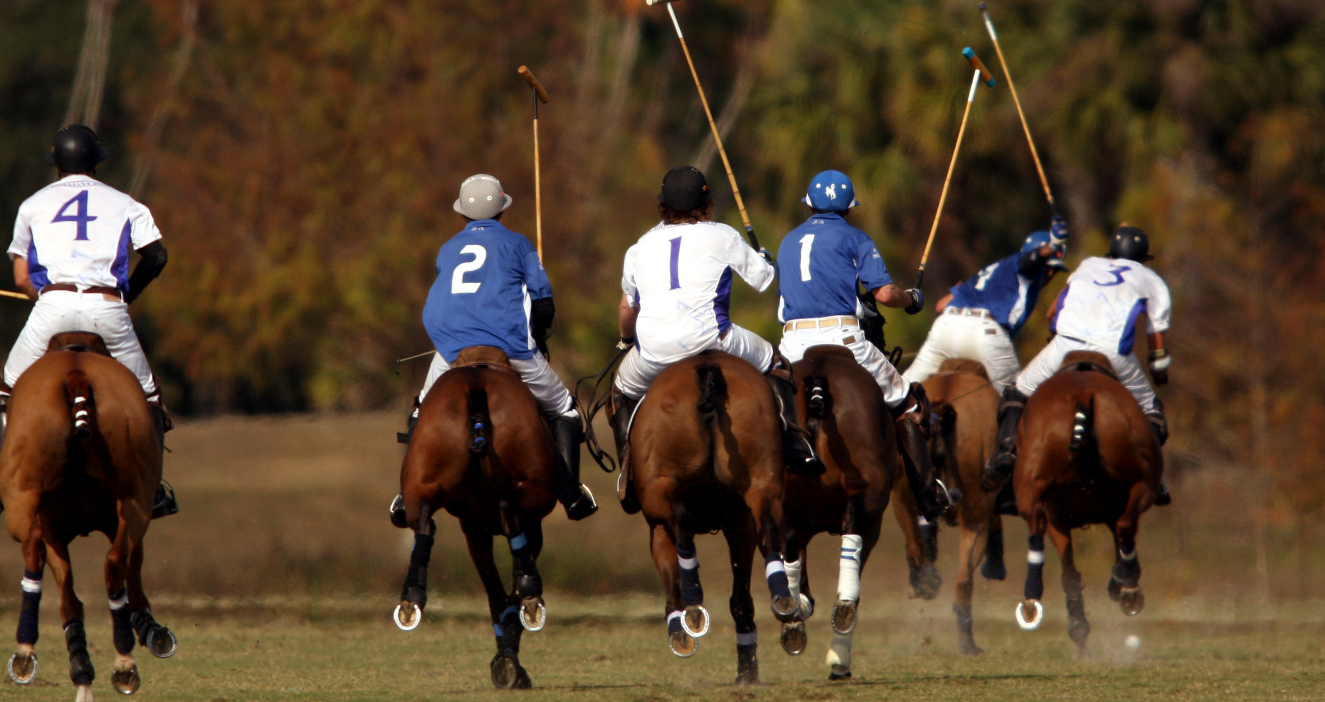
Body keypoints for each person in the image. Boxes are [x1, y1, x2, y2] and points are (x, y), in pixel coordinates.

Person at [0, 125, 176, 520]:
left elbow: (21, 279)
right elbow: (157, 257)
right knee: (150, 397)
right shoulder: (127, 203)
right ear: (97, 162)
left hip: (53, 309)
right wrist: (125, 295)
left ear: (57, 165)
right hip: (109, 311)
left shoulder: (31, 205)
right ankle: (153, 492)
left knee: (5, 390)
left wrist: (42, 293)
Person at [389, 174, 597, 525]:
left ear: (462, 215)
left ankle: (405, 493)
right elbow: (544, 307)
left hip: (452, 350)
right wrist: (539, 334)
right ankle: (571, 491)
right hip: (508, 348)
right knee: (565, 409)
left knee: (422, 410)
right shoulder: (518, 244)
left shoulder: (447, 248)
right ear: (502, 210)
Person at [612, 165, 824, 482]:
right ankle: (795, 444)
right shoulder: (723, 235)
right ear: (707, 203)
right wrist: (763, 257)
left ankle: (629, 471)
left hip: (654, 350)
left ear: (663, 206)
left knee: (620, 391)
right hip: (716, 339)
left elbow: (628, 307)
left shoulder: (639, 247)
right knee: (777, 363)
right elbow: (764, 279)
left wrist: (626, 340)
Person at [775, 169, 952, 517]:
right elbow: (884, 294)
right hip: (843, 337)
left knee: (770, 410)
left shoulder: (787, 241)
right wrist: (912, 299)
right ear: (849, 209)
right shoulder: (856, 238)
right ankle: (927, 493)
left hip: (792, 343)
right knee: (908, 403)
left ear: (808, 205)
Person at [984, 223, 1172, 504]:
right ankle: (1153, 477)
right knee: (1151, 409)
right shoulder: (1153, 280)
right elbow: (1156, 334)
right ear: (1143, 259)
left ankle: (1007, 452)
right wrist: (1159, 369)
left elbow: (1052, 314)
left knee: (1018, 390)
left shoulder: (1088, 265)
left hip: (1066, 344)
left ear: (1111, 255)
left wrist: (1055, 340)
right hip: (1114, 353)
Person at [904, 219, 1069, 393]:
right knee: (1016, 399)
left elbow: (940, 305)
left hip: (945, 328)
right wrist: (1051, 247)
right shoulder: (1022, 266)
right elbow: (1028, 262)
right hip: (985, 334)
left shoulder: (994, 270)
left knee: (902, 390)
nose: (1050, 274)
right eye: (1051, 269)